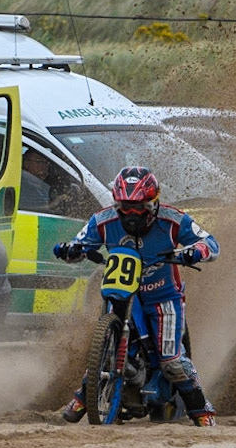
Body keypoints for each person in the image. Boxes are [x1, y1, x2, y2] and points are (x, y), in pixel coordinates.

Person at [53, 166, 222, 425]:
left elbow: (211, 243)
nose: (131, 214)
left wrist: (195, 252)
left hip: (163, 297)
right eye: (124, 207)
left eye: (139, 207)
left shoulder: (173, 220)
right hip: (120, 293)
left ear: (153, 203)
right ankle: (85, 396)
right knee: (104, 345)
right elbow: (81, 245)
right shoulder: (102, 221)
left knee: (172, 361)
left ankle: (201, 410)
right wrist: (70, 251)